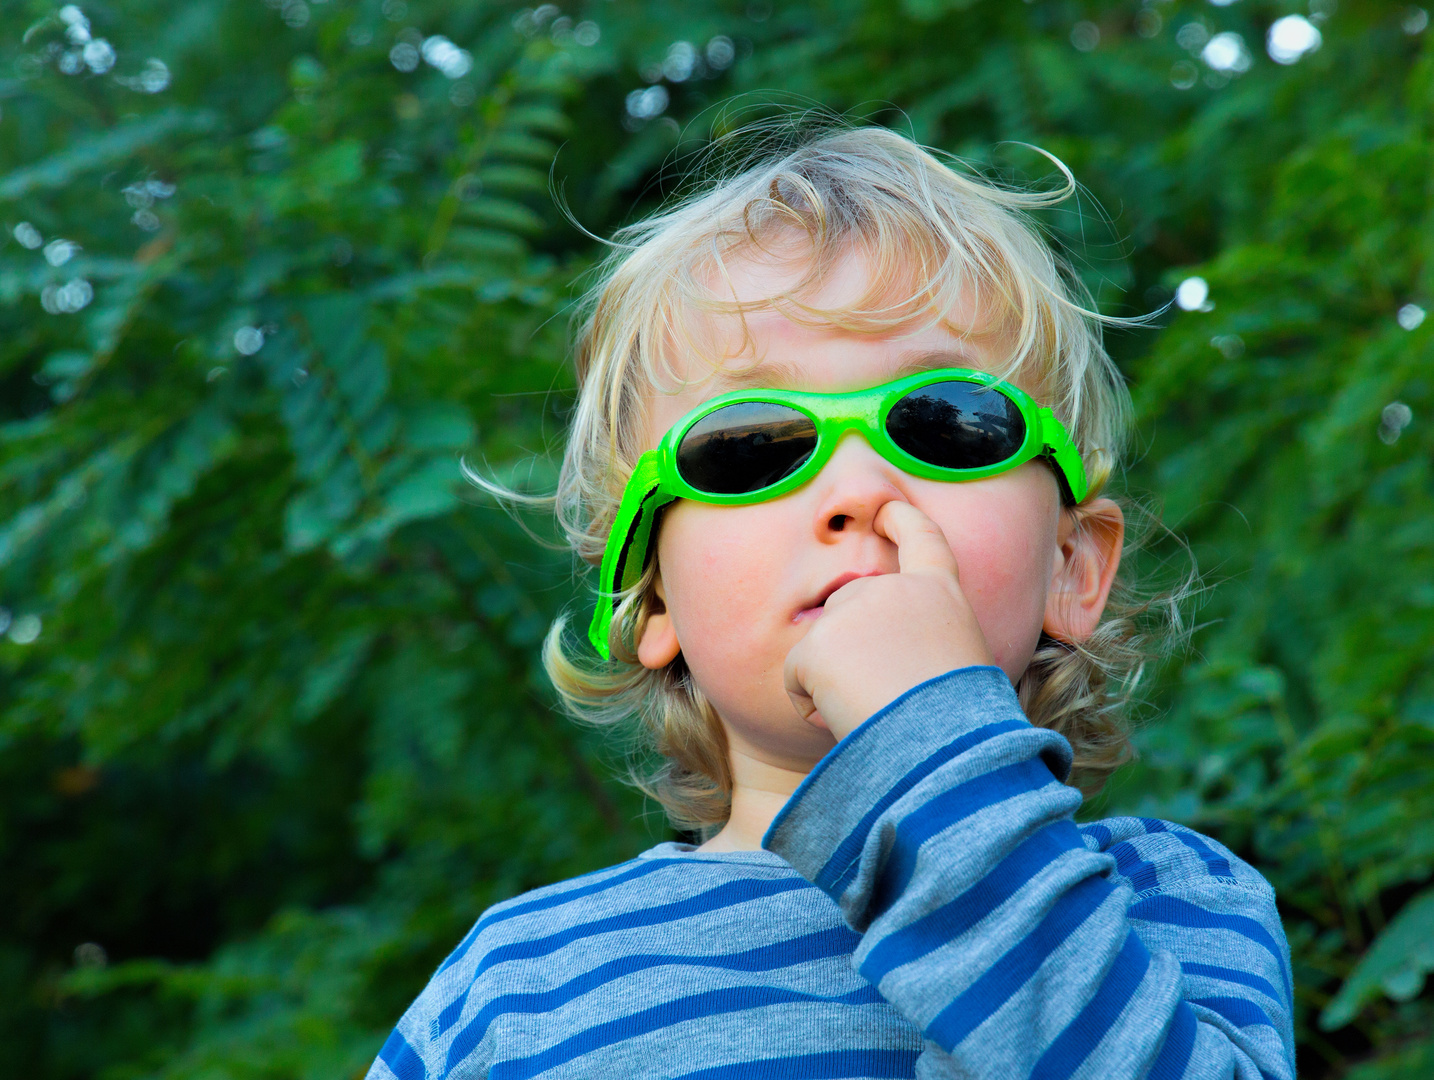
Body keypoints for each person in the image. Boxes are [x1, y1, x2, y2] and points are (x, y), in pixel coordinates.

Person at [367, 125, 1295, 1080]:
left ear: (1071, 567)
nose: (858, 489)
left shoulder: (1169, 906)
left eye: (945, 423)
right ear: (652, 601)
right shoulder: (513, 986)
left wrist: (926, 746)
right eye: (746, 446)